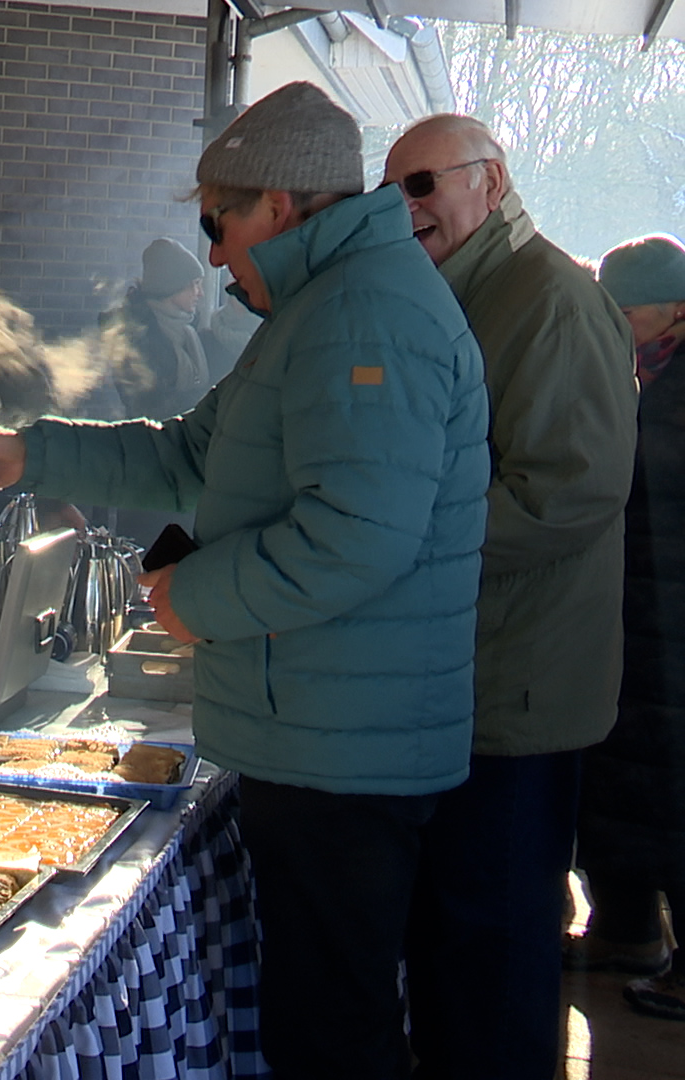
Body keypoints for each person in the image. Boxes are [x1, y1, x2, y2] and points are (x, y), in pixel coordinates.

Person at [0, 83, 489, 1078]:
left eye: (217, 221)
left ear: (277, 206)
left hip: (346, 753)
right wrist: (32, 456)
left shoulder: (364, 314)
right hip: (323, 731)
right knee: (324, 1013)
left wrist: (192, 601)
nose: (210, 252)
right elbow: (188, 455)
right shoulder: (320, 306)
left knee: (336, 1031)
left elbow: (356, 537)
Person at [381, 114, 639, 1077]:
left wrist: (400, 545)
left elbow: (568, 492)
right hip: (465, 682)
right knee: (455, 952)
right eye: (391, 189)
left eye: (423, 186)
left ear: (491, 183)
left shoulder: (552, 301)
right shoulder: (466, 294)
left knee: (492, 959)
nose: (405, 209)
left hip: (518, 691)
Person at [573, 232, 685, 1021]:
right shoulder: (643, 370)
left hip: (671, 616)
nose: (617, 320)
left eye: (630, 309)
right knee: (624, 780)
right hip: (635, 609)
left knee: (672, 790)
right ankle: (625, 927)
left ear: (675, 306)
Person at [101, 237, 213, 421]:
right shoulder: (133, 338)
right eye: (194, 284)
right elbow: (148, 406)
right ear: (172, 286)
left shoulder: (190, 332)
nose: (200, 293)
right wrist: (208, 404)